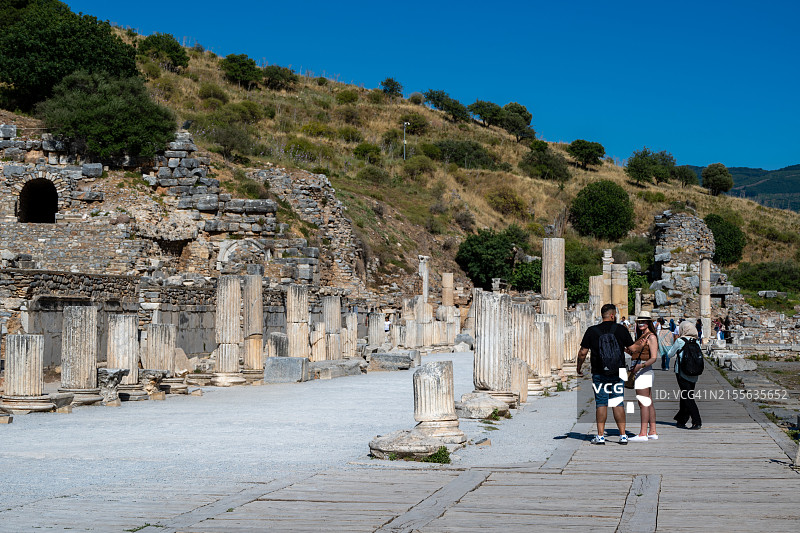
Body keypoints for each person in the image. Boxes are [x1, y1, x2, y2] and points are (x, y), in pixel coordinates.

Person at [577, 303, 635, 445]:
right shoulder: (621, 329)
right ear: (612, 315)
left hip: (599, 371)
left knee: (601, 403)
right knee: (618, 402)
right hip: (619, 371)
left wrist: (578, 367)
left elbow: (583, 352)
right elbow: (633, 349)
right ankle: (622, 436)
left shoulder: (592, 331)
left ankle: (601, 436)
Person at [628, 312, 659, 442]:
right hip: (643, 370)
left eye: (644, 322)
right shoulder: (642, 336)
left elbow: (654, 358)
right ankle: (652, 431)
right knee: (649, 402)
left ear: (649, 323)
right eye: (639, 321)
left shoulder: (651, 337)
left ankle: (642, 433)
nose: (641, 324)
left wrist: (640, 366)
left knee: (643, 403)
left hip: (644, 371)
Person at [667, 321, 702, 429]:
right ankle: (681, 420)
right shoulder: (697, 342)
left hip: (682, 372)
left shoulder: (680, 341)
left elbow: (670, 354)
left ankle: (697, 421)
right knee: (685, 395)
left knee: (687, 397)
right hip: (694, 373)